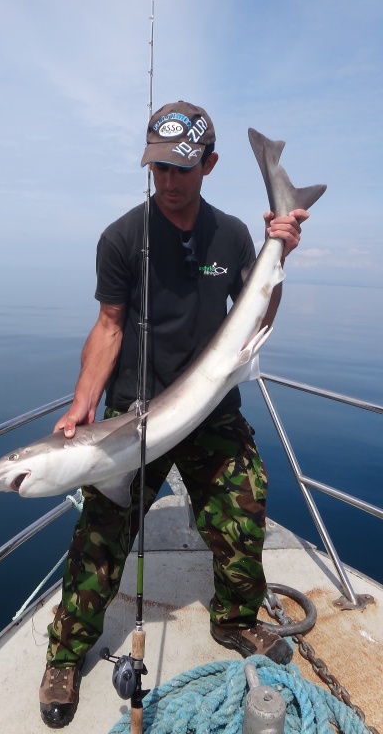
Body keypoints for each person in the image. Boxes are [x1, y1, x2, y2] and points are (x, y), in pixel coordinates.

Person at [39, 101, 307, 728]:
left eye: (182, 169)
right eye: (158, 168)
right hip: (134, 413)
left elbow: (258, 317)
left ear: (209, 165)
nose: (168, 180)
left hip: (211, 409)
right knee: (99, 535)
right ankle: (64, 653)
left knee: (246, 509)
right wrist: (83, 403)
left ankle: (237, 620)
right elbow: (108, 327)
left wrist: (280, 256)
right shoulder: (121, 238)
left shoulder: (234, 236)